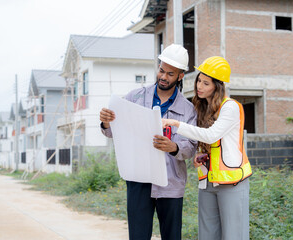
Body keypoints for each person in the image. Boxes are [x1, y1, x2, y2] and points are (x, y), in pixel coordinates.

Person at [99, 44, 197, 240]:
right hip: (139, 178)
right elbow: (112, 133)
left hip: (171, 182)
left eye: (170, 73)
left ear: (180, 76)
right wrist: (106, 122)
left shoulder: (187, 110)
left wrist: (174, 147)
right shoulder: (134, 97)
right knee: (138, 236)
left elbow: (191, 147)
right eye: (161, 70)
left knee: (171, 236)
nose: (163, 76)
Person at [162, 56, 252, 240]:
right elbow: (205, 141)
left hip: (232, 182)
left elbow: (212, 135)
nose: (199, 87)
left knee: (234, 235)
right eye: (198, 81)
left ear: (217, 86)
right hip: (207, 181)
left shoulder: (230, 108)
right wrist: (199, 154)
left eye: (206, 83)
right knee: (207, 235)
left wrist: (176, 123)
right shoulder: (201, 108)